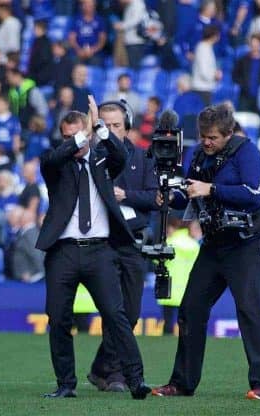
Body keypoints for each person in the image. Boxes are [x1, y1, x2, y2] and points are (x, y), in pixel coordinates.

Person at [152, 103, 260, 400]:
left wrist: (211, 189)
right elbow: (189, 196)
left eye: (214, 138)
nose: (207, 142)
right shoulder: (198, 154)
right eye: (204, 136)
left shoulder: (247, 153)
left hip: (246, 243)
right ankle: (182, 383)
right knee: (190, 309)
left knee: (249, 310)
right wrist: (171, 194)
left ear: (229, 133)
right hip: (213, 243)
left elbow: (253, 195)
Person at [36, 97, 150, 399]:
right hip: (63, 251)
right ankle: (65, 385)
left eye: (78, 134)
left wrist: (98, 126)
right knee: (58, 318)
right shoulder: (55, 165)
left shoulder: (103, 161)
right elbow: (52, 158)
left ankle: (136, 380)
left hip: (100, 251)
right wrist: (79, 136)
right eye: (66, 136)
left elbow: (121, 151)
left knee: (116, 314)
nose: (72, 142)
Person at [87, 99, 158, 392]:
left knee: (131, 312)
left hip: (132, 239)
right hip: (102, 241)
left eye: (117, 125)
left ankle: (100, 368)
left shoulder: (142, 158)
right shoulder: (89, 156)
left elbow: (155, 198)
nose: (112, 130)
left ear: (127, 127)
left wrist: (124, 195)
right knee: (113, 309)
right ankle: (115, 374)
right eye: (105, 125)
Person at [191, 24, 222, 106]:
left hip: (206, 88)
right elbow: (204, 71)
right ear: (214, 35)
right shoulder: (203, 48)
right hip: (202, 89)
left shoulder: (207, 47)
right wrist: (215, 76)